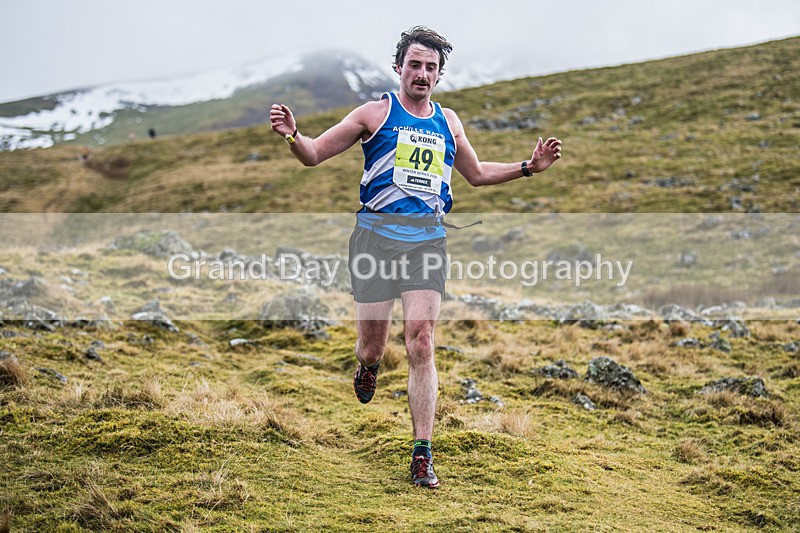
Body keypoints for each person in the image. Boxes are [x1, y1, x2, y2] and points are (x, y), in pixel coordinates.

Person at [269, 26, 562, 489]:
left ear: (439, 75)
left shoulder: (449, 122)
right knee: (374, 345)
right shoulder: (374, 113)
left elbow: (478, 174)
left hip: (426, 242)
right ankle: (367, 365)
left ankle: (422, 452)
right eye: (414, 65)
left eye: (430, 67)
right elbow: (313, 155)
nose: (422, 74)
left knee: (422, 340)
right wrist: (293, 136)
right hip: (374, 242)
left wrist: (528, 168)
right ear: (399, 68)